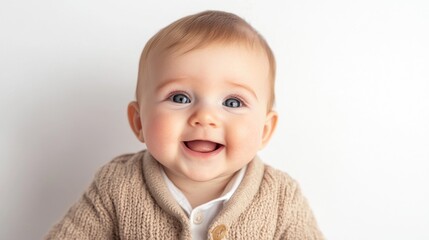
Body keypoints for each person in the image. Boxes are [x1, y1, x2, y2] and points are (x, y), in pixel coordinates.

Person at [46, 10, 324, 240]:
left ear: (264, 131)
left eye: (233, 102)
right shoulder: (117, 186)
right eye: (180, 97)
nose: (205, 117)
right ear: (139, 122)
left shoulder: (281, 197)